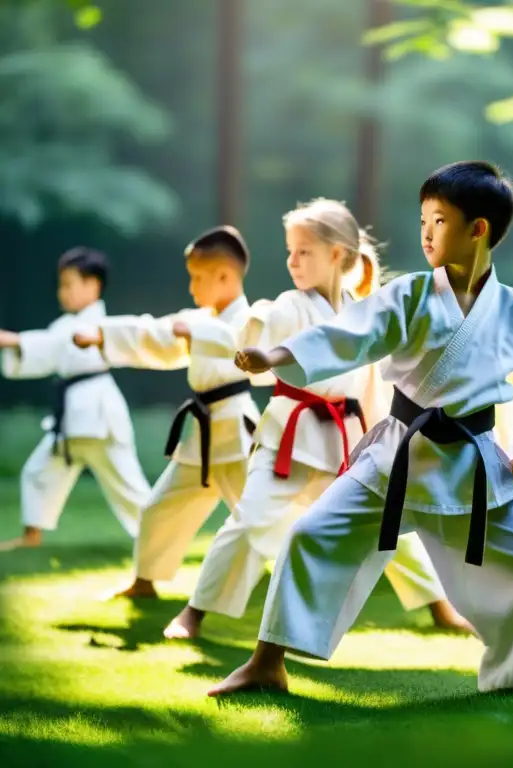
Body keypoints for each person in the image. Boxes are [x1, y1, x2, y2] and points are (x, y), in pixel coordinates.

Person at [209, 160, 513, 697]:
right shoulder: (412, 296)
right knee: (310, 535)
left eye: (439, 220)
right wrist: (276, 353)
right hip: (399, 453)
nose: (425, 232)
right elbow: (346, 334)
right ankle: (266, 663)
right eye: (422, 218)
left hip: (475, 463)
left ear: (479, 229)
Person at [164, 199, 467, 640]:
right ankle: (194, 611)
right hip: (290, 436)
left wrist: (384, 439)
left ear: (337, 255)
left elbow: (370, 386)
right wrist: (254, 335)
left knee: (385, 522)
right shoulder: (289, 305)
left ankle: (440, 607)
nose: (292, 260)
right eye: (290, 250)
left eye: (303, 251)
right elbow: (260, 325)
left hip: (345, 437)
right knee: (249, 521)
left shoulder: (363, 311)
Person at [74, 226, 260, 600]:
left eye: (197, 278)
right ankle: (144, 581)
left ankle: (313, 576)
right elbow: (155, 335)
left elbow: (243, 346)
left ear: (224, 276)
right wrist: (103, 335)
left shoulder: (252, 320)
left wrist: (195, 330)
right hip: (201, 434)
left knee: (264, 517)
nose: (192, 287)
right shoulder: (201, 319)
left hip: (236, 433)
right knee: (159, 509)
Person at [0, 247, 151, 551]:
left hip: (98, 414)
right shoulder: (67, 323)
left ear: (93, 285)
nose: (63, 292)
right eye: (62, 285)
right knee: (37, 471)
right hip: (74, 418)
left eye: (70, 284)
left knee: (129, 488)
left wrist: (13, 340)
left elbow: (54, 344)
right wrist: (15, 343)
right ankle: (32, 537)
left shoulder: (97, 323)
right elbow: (48, 351)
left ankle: (161, 539)